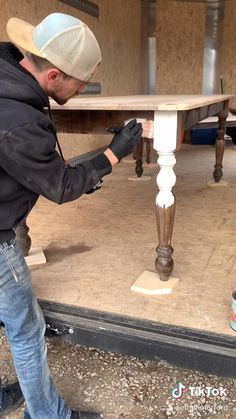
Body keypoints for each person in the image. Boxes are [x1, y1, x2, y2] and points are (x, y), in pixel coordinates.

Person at [0, 12, 142, 419]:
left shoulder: (9, 76)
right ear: (53, 76)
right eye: (82, 81)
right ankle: (50, 416)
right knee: (26, 330)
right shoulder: (21, 122)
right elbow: (61, 185)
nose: (84, 89)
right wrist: (113, 153)